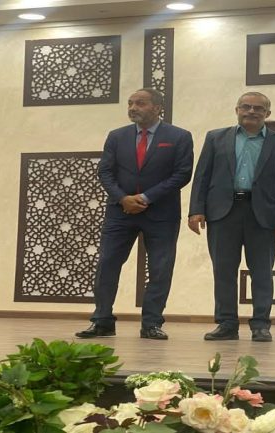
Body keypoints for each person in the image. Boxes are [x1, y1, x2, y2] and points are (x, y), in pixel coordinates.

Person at [75, 88, 194, 340]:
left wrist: (146, 197)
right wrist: (123, 198)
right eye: (130, 103)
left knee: (160, 268)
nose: (132, 107)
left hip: (161, 213)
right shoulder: (116, 136)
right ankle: (102, 321)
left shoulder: (179, 136)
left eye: (140, 103)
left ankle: (151, 323)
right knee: (107, 263)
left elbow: (182, 174)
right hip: (120, 211)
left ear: (157, 107)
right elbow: (105, 172)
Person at [188, 91, 275, 342]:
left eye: (258, 108)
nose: (251, 111)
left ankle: (261, 325)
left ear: (267, 113)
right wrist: (196, 210)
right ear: (237, 110)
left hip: (263, 215)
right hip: (222, 212)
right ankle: (226, 324)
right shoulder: (216, 138)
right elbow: (202, 176)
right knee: (224, 270)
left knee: (262, 272)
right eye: (246, 106)